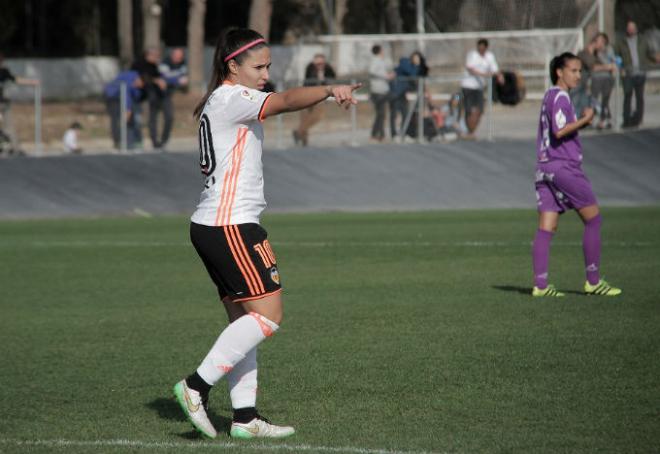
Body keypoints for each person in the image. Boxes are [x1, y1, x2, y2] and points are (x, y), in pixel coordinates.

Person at [173, 28, 360, 439]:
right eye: (258, 66)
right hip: (231, 225)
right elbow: (287, 101)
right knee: (268, 316)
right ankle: (195, 387)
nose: (265, 74)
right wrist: (330, 88)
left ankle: (244, 419)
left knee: (244, 322)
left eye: (269, 66)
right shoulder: (232, 98)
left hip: (215, 225)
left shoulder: (220, 100)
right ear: (232, 66)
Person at [531, 52, 621, 298]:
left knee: (546, 228)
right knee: (593, 220)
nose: (578, 75)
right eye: (573, 70)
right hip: (563, 166)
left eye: (580, 71)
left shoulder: (549, 95)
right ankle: (593, 282)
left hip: (544, 166)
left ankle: (540, 286)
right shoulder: (560, 96)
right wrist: (585, 119)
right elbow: (560, 131)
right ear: (560, 72)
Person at [615, 20, 660, 128]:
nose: (630, 30)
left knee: (639, 97)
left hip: (640, 72)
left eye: (632, 28)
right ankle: (626, 120)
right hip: (628, 74)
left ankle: (638, 119)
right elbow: (616, 56)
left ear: (636, 29)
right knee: (627, 96)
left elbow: (649, 53)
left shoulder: (642, 40)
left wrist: (656, 58)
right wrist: (619, 67)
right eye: (629, 28)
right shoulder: (622, 42)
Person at [459, 39, 503, 139]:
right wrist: (485, 75)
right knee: (469, 110)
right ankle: (469, 132)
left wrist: (500, 76)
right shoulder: (472, 55)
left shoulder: (489, 56)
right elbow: (470, 69)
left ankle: (471, 132)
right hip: (468, 86)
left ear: (486, 48)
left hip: (479, 88)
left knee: (480, 110)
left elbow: (495, 69)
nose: (481, 50)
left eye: (483, 48)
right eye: (479, 48)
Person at [292, 53, 336, 146]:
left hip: (320, 96)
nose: (320, 66)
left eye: (321, 63)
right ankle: (304, 139)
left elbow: (332, 78)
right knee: (304, 117)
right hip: (307, 94)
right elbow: (309, 80)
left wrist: (324, 77)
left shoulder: (328, 69)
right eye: (317, 64)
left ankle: (299, 132)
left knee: (318, 116)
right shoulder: (310, 68)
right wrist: (318, 74)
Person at [0, 52, 39, 152]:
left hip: (3, 102)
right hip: (3, 102)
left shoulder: (4, 71)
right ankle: (11, 145)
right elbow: (15, 79)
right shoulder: (4, 71)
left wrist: (31, 82)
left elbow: (15, 79)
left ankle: (15, 147)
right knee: (7, 126)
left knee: (9, 126)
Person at [132, 48, 167, 149]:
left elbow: (160, 77)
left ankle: (155, 140)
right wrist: (156, 81)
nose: (157, 58)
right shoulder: (139, 64)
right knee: (138, 120)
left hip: (154, 97)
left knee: (153, 119)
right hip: (139, 97)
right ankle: (137, 141)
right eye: (155, 56)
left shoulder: (155, 66)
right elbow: (141, 78)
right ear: (148, 55)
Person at [155, 47, 189, 150]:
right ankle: (154, 140)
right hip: (156, 93)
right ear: (172, 55)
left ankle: (164, 140)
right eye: (176, 56)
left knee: (169, 117)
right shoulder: (164, 63)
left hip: (167, 95)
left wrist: (176, 80)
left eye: (180, 56)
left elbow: (183, 77)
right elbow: (164, 78)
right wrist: (177, 80)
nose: (178, 58)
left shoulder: (183, 63)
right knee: (153, 117)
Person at [103, 70, 145, 150]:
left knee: (128, 119)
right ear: (139, 79)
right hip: (112, 96)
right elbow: (126, 95)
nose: (138, 86)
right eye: (139, 84)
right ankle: (117, 142)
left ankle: (131, 141)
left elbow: (135, 95)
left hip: (120, 97)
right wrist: (128, 110)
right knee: (116, 119)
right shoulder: (129, 79)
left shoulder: (135, 84)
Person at [389, 51, 426, 140]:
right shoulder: (406, 63)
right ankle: (394, 135)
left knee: (405, 113)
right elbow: (412, 74)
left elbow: (418, 81)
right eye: (416, 58)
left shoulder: (415, 68)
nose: (417, 61)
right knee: (395, 114)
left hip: (403, 94)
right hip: (395, 93)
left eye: (418, 59)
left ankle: (404, 133)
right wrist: (417, 66)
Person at [590, 33, 617, 130]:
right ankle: (597, 119)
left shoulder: (608, 50)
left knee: (605, 99)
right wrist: (607, 67)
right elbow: (593, 67)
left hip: (607, 78)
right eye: (597, 40)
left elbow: (613, 64)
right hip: (596, 78)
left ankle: (605, 120)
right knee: (595, 100)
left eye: (601, 40)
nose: (600, 43)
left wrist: (609, 67)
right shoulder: (593, 51)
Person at [368, 44, 393, 142]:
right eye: (382, 50)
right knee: (380, 113)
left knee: (381, 114)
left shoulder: (381, 60)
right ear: (379, 51)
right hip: (378, 91)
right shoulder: (375, 60)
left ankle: (380, 135)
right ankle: (376, 134)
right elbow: (372, 71)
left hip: (383, 90)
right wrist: (386, 76)